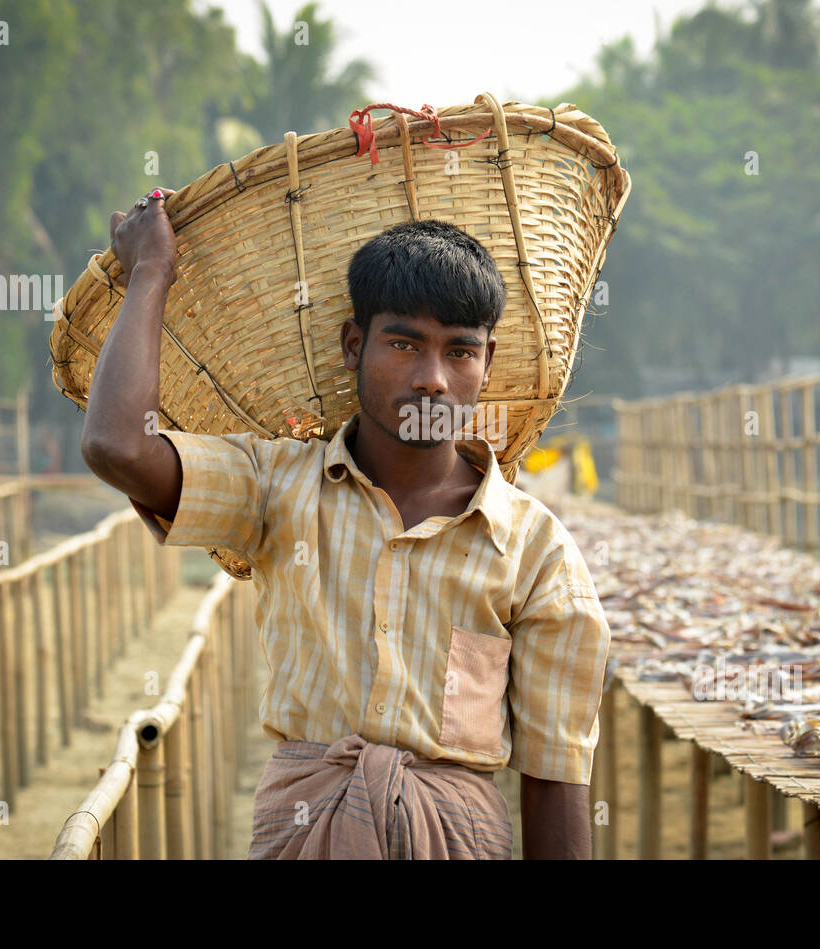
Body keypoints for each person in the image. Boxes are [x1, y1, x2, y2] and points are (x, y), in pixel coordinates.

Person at [80, 187, 610, 859]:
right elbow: (119, 446)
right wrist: (151, 270)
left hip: (456, 839)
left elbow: (554, 779)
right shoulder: (276, 486)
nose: (433, 380)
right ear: (351, 344)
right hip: (304, 831)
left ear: (486, 362)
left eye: (459, 352)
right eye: (403, 343)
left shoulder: (536, 552)